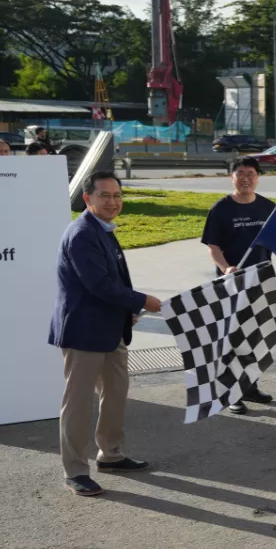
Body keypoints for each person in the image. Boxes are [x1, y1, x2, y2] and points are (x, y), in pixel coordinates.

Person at [48, 171, 163, 496]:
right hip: (84, 333)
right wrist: (142, 301)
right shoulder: (82, 234)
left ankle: (110, 455)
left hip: (111, 329)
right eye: (105, 196)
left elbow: (113, 283)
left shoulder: (103, 229)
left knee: (115, 393)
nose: (113, 202)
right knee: (78, 403)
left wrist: (128, 309)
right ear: (87, 198)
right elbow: (98, 285)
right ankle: (75, 471)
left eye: (117, 196)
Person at [200, 156, 276, 414]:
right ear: (231, 177)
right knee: (232, 339)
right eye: (240, 173)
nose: (245, 178)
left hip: (260, 282)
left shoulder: (268, 207)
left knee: (255, 339)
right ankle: (230, 393)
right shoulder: (220, 209)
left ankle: (250, 386)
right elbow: (213, 247)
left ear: (258, 177)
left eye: (251, 173)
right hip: (231, 285)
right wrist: (226, 268)